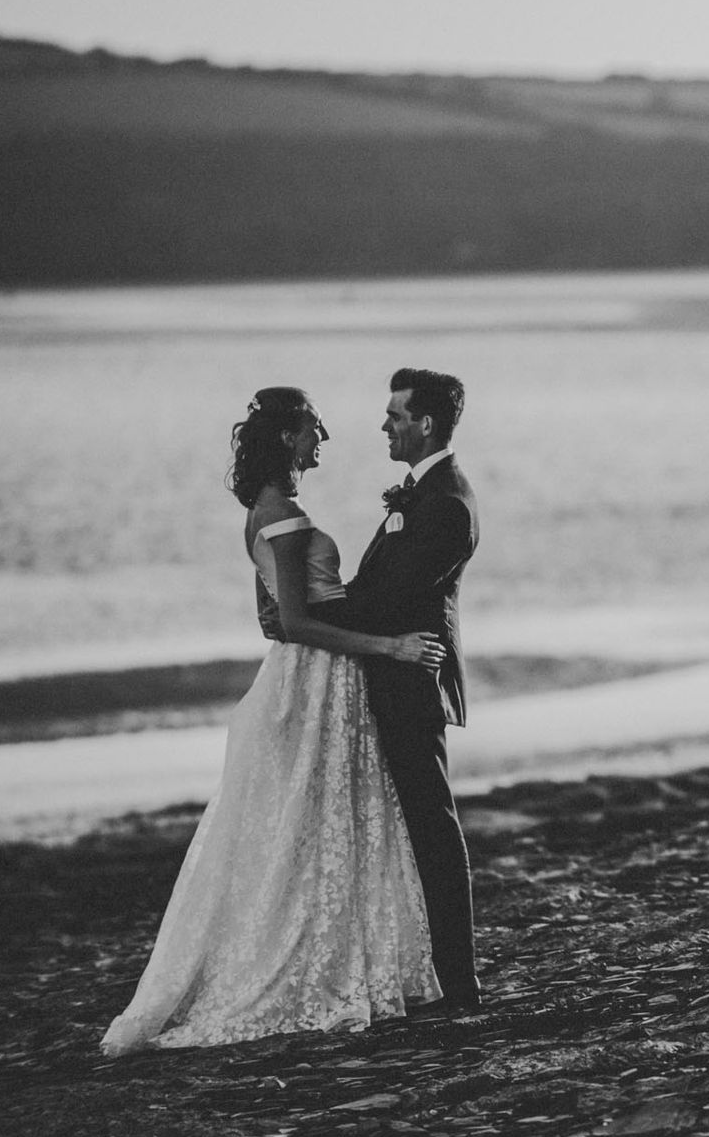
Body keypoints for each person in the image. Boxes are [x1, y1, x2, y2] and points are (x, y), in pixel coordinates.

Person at [102, 388, 447, 1054]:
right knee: (318, 822)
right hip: (316, 682)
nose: (322, 442)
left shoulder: (263, 513)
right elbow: (292, 621)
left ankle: (338, 952)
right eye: (314, 431)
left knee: (321, 825)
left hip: (313, 674)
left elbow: (272, 615)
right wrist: (390, 645)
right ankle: (313, 964)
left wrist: (321, 614)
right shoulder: (282, 515)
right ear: (290, 437)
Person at [315, 368, 483, 1016]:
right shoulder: (421, 494)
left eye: (394, 415)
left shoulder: (447, 504)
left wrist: (306, 616)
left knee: (433, 831)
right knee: (417, 829)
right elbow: (376, 590)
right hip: (394, 675)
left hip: (414, 681)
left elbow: (389, 600)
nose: (384, 425)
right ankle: (432, 975)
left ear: (426, 425)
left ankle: (460, 984)